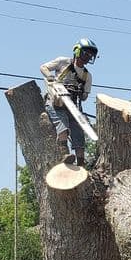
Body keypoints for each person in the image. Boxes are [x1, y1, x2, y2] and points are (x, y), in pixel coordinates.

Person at [40, 38, 98, 166]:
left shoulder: (87, 76)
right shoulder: (63, 62)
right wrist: (50, 77)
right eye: (85, 53)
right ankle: (64, 154)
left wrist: (80, 93)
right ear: (77, 51)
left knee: (78, 131)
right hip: (57, 103)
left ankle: (81, 161)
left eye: (90, 55)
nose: (87, 57)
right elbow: (43, 67)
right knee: (63, 126)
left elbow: (84, 97)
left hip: (73, 105)